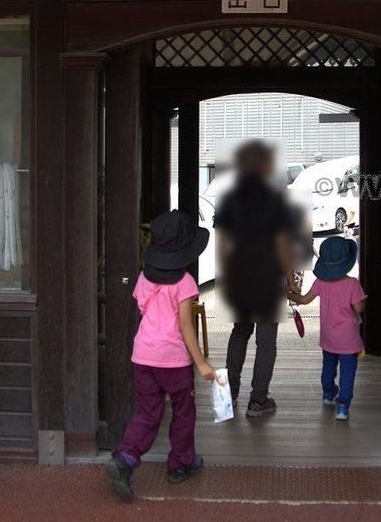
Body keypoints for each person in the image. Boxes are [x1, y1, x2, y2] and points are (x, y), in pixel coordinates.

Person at [105, 210, 216, 501]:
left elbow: (143, 310)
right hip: (174, 361)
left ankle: (126, 458)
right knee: (183, 411)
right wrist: (201, 362)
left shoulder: (144, 277)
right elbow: (184, 324)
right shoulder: (186, 283)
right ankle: (180, 464)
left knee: (147, 413)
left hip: (143, 355)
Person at [214, 140, 296, 418]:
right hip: (268, 278)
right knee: (266, 340)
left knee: (240, 332)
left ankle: (230, 393)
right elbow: (283, 242)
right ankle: (257, 401)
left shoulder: (230, 198)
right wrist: (290, 277)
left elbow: (223, 242)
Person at [288, 235, 366, 421]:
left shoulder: (321, 282)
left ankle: (328, 394)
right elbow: (359, 308)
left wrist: (290, 294)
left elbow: (305, 299)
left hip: (329, 337)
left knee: (328, 366)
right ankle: (342, 405)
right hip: (348, 339)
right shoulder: (353, 284)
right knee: (347, 371)